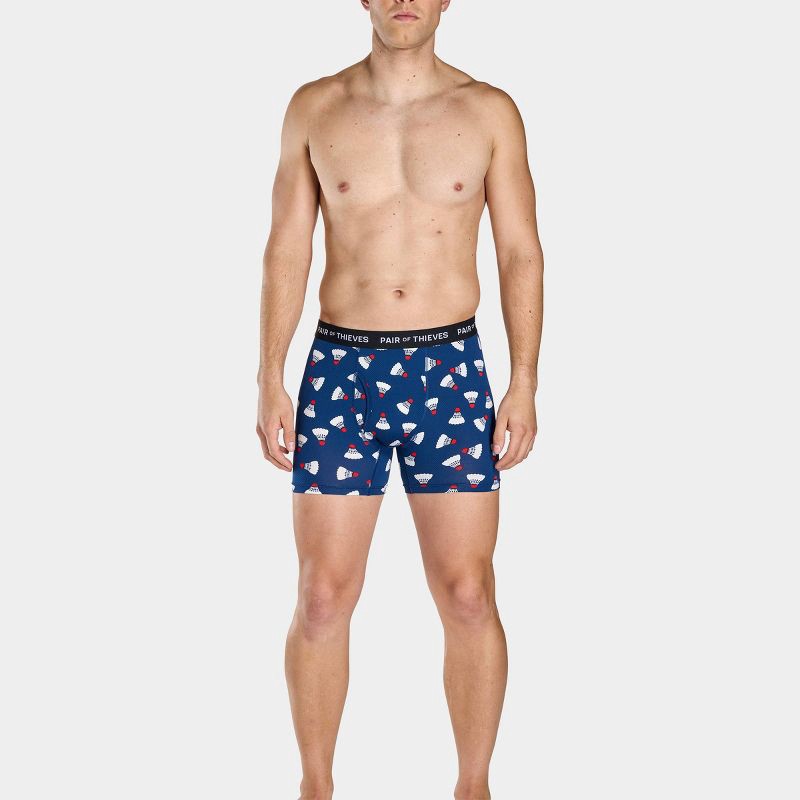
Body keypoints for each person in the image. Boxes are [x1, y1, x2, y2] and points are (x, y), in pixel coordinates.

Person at [256, 2, 543, 797]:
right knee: (321, 596)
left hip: (449, 370)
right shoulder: (315, 107)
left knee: (468, 592)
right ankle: (315, 788)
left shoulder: (489, 111)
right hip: (340, 372)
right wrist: (270, 374)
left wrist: (523, 378)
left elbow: (521, 251)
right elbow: (287, 246)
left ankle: (473, 788)